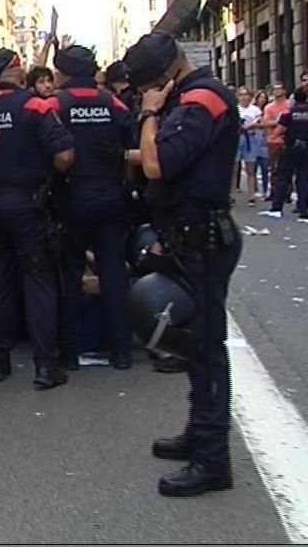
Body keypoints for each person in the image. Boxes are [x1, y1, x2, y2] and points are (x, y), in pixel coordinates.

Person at [123, 31, 242, 497]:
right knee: (193, 346)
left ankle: (213, 460)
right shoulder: (192, 98)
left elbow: (159, 165)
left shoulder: (201, 100)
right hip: (185, 238)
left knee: (207, 349)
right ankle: (199, 433)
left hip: (203, 242)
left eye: (147, 85)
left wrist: (151, 112)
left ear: (165, 75)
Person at [0, 48, 75, 389]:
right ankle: (45, 365)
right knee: (38, 280)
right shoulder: (35, 107)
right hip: (26, 204)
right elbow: (65, 156)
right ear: (17, 71)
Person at [47, 45, 134, 370]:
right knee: (113, 274)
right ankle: (122, 351)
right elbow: (130, 147)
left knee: (69, 274)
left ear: (64, 73)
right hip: (111, 197)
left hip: (72, 199)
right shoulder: (113, 102)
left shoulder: (54, 103)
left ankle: (69, 353)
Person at [263, 88, 308, 221]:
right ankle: (303, 209)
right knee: (303, 178)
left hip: (291, 146)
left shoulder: (288, 113)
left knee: (283, 177)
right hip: (306, 146)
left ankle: (277, 208)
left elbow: (278, 131)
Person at [236, 87, 268, 207]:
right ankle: (231, 195)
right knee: (234, 168)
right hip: (238, 138)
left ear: (250, 96)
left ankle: (251, 196)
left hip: (252, 138)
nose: (244, 97)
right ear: (238, 97)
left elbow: (262, 123)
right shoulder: (235, 109)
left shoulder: (255, 110)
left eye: (246, 94)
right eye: (241, 95)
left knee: (251, 169)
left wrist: (254, 124)